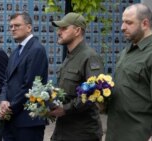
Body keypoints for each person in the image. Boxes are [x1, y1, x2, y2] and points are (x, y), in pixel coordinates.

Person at [105, 4, 152, 141]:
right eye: (123, 22)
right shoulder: (125, 53)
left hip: (140, 134)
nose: (122, 27)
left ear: (145, 23)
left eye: (129, 22)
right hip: (116, 134)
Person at [49, 12, 104, 141]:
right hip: (63, 130)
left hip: (82, 133)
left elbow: (94, 93)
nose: (59, 32)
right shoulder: (70, 57)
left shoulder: (90, 57)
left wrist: (65, 109)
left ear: (77, 30)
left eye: (64, 28)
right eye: (59, 28)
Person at [0, 12, 48, 141]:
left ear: (29, 28)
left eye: (17, 25)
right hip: (12, 119)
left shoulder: (36, 49)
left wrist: (10, 108)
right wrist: (3, 101)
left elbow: (30, 85)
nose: (13, 29)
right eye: (11, 26)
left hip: (28, 121)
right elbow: (6, 81)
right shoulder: (16, 52)